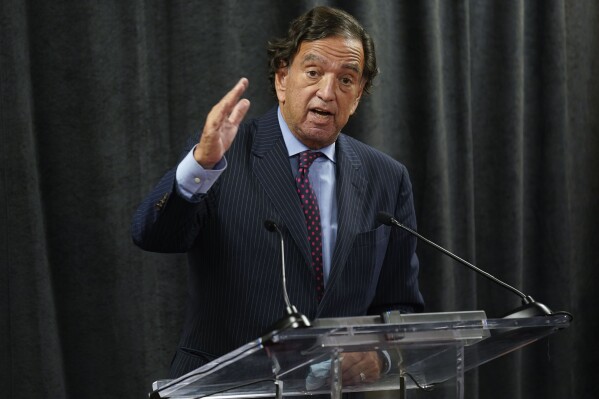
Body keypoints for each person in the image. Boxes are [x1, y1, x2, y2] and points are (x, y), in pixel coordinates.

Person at [132, 5, 424, 386]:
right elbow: (155, 235)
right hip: (227, 387)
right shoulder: (223, 154)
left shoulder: (387, 177)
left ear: (358, 95)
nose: (327, 92)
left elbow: (398, 305)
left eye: (347, 80)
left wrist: (381, 356)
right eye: (314, 72)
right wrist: (199, 167)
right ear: (283, 78)